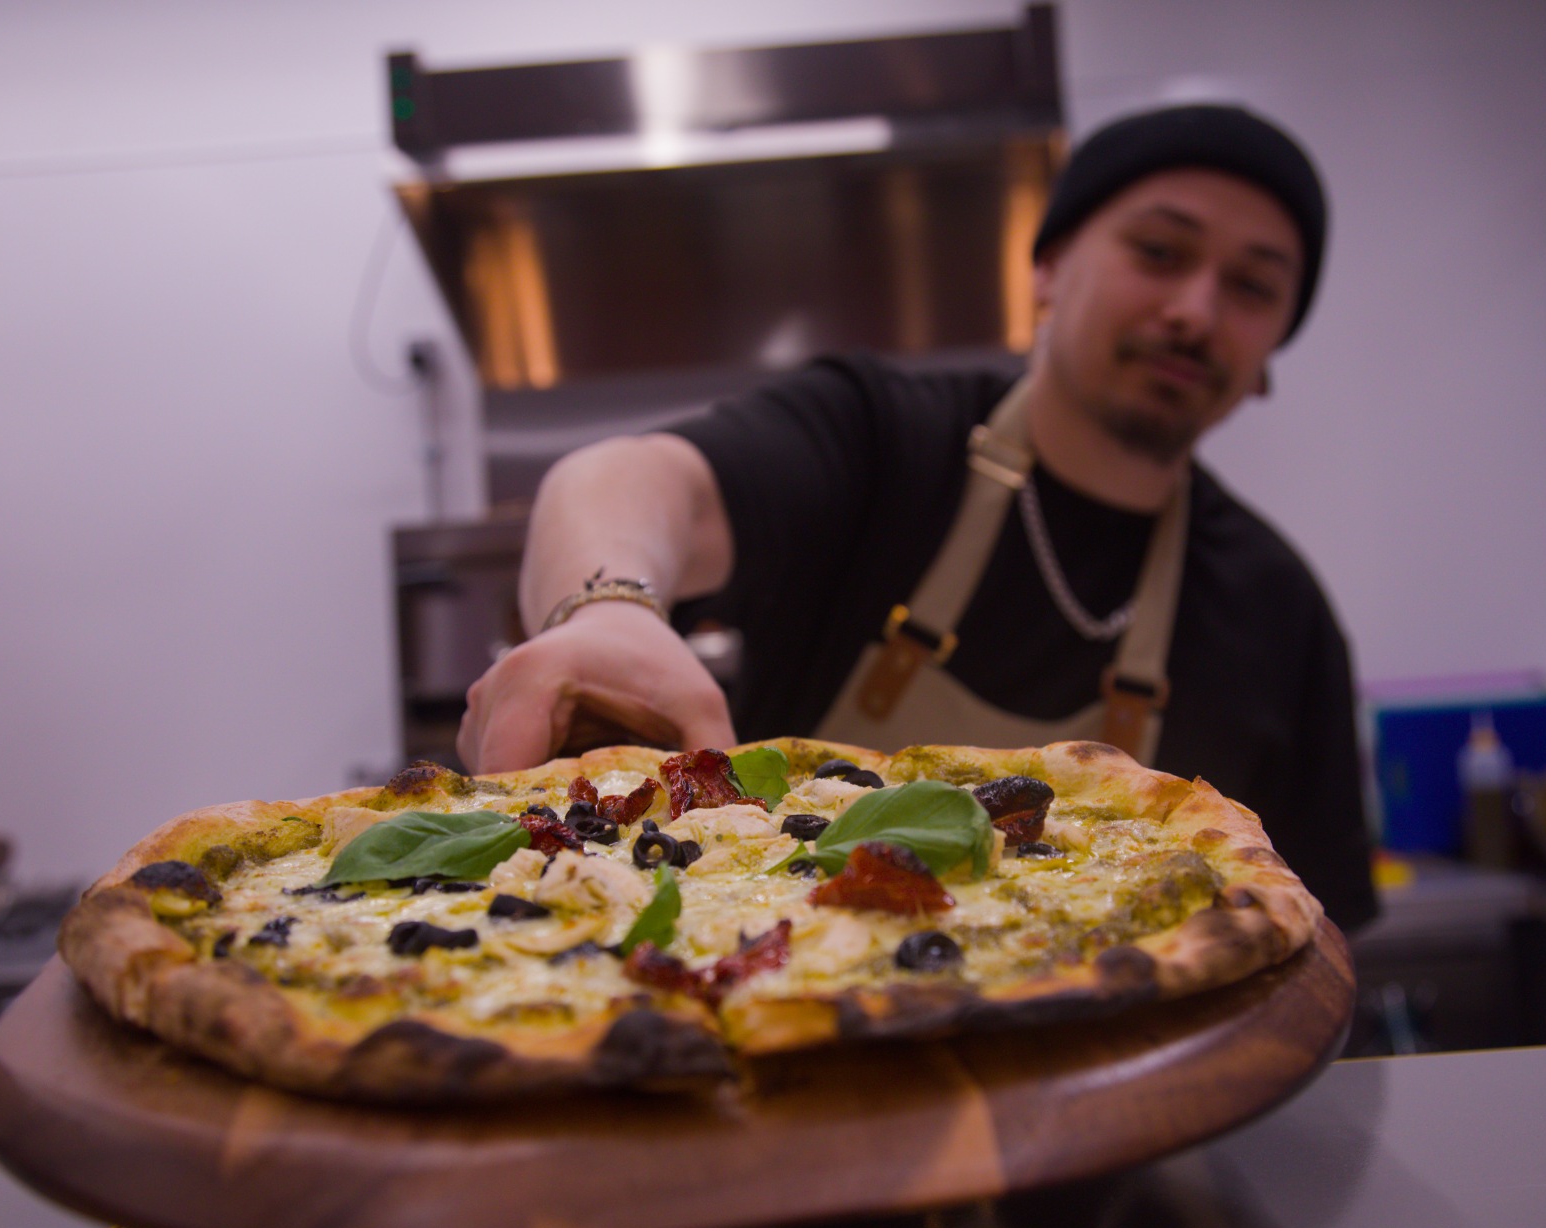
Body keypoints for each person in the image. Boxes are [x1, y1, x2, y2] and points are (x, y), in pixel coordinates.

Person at [459, 104, 1377, 931]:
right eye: (1159, 252)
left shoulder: (1282, 612)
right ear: (1049, 268)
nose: (1194, 310)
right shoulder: (883, 435)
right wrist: (610, 609)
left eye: (1253, 287)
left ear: (1268, 358)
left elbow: (1309, 941)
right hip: (784, 1004)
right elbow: (627, 477)